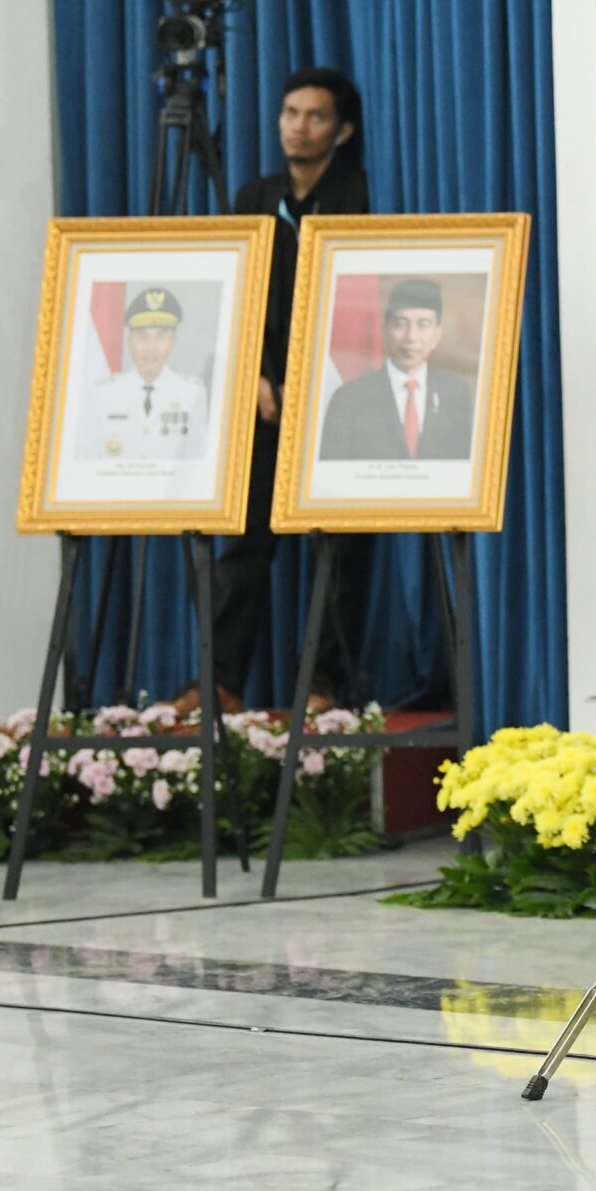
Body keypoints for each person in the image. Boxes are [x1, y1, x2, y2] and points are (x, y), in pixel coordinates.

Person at [203, 66, 371, 719]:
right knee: (244, 543)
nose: (298, 127)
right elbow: (235, 296)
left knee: (340, 547)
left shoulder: (359, 198)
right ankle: (220, 680)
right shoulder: (253, 198)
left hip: (335, 399)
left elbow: (362, 303)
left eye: (316, 116)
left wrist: (318, 381)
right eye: (290, 113)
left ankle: (326, 683)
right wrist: (256, 376)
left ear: (343, 130)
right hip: (264, 399)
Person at [316, 277, 476, 461]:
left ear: (437, 334)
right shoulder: (349, 397)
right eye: (400, 324)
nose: (411, 337)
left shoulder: (455, 393)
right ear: (385, 329)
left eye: (423, 325)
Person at [77, 287, 208, 462]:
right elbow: (86, 459)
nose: (151, 347)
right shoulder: (103, 394)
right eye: (142, 336)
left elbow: (197, 462)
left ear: (173, 341)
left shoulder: (191, 393)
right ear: (130, 341)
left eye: (161, 337)